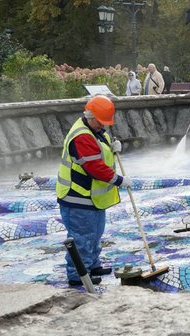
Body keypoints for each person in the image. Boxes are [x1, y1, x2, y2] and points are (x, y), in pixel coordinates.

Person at [56, 95, 131, 287]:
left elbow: (101, 153)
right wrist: (119, 181)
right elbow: (95, 168)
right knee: (82, 238)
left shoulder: (96, 131)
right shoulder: (82, 136)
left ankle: (93, 265)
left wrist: (112, 149)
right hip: (77, 197)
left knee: (95, 234)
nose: (103, 126)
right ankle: (78, 276)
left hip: (91, 199)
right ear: (90, 116)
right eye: (101, 122)